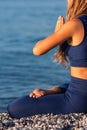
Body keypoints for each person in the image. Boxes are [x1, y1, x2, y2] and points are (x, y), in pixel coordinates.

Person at [8, 0, 87, 119]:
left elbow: (37, 50)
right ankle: (52, 91)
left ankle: (55, 93)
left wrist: (57, 34)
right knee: (67, 85)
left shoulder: (75, 24)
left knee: (14, 108)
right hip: (80, 88)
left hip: (79, 100)